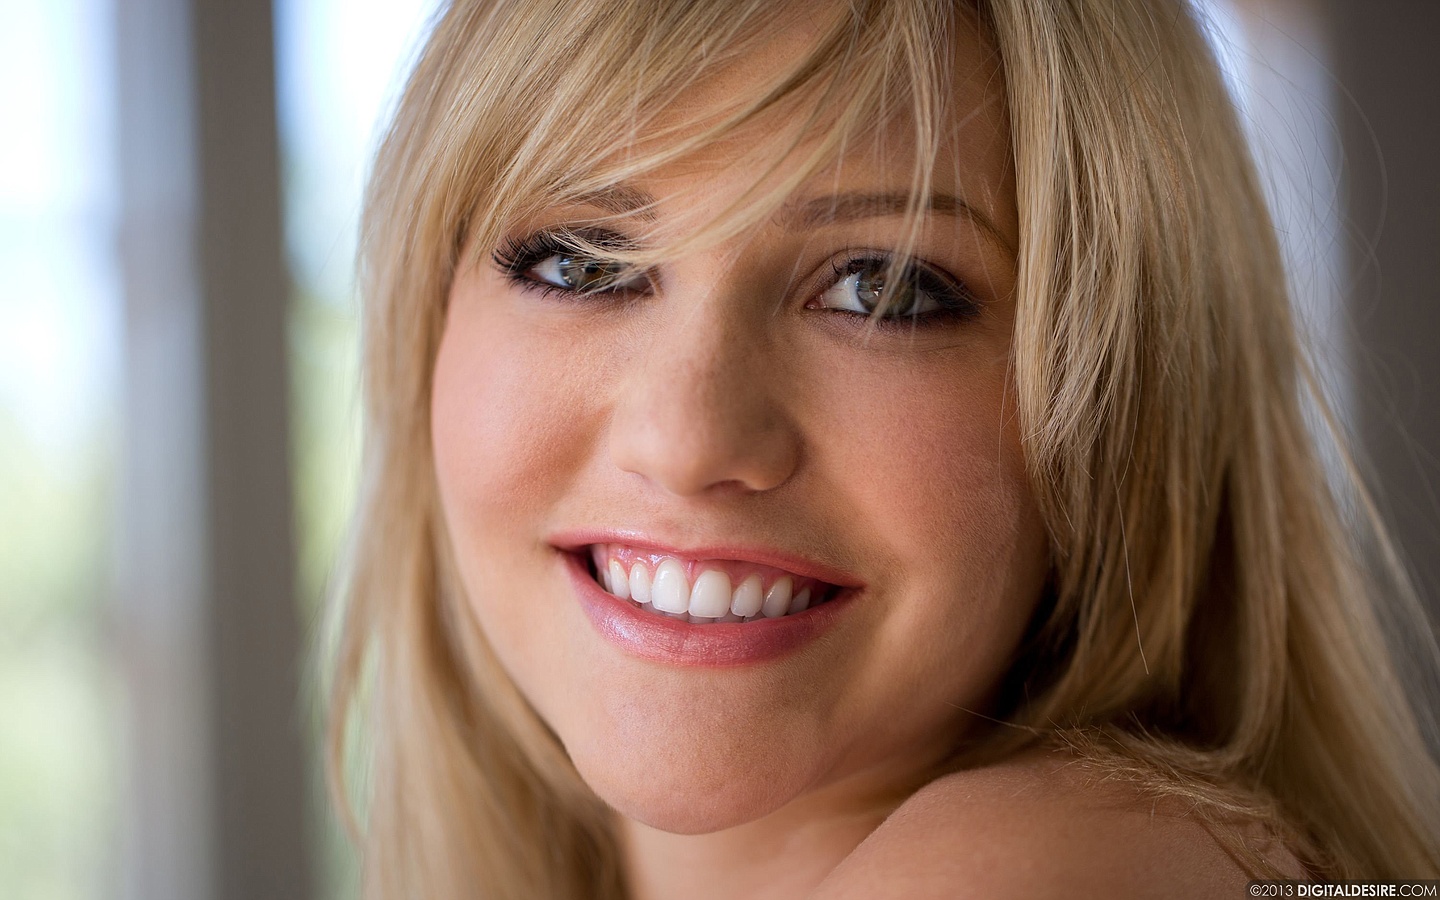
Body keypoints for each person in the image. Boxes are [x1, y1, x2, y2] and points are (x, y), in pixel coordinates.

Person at [323, 0, 1440, 896]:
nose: (688, 440)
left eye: (884, 286)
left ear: (1128, 404)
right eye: (579, 264)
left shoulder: (1077, 867)